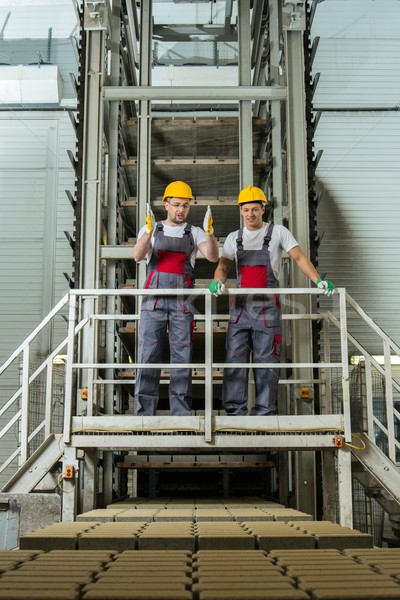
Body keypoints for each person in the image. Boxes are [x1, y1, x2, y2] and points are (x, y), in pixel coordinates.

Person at [208, 185, 334, 416]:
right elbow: (223, 266)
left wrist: (318, 281)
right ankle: (235, 412)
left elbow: (298, 257)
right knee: (235, 358)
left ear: (263, 209)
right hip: (240, 308)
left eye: (255, 209)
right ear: (241, 211)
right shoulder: (234, 238)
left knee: (266, 360)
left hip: (267, 308)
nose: (250, 214)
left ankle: (263, 412)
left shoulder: (278, 232)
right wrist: (218, 281)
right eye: (246, 210)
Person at [133, 180, 219, 416]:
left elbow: (212, 257)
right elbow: (137, 256)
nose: (181, 210)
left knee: (182, 356)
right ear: (166, 204)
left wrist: (210, 234)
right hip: (153, 303)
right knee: (147, 355)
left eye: (186, 206)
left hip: (182, 303)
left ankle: (180, 413)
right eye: (177, 205)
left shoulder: (195, 232)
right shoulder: (151, 228)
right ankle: (143, 413)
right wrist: (147, 233)